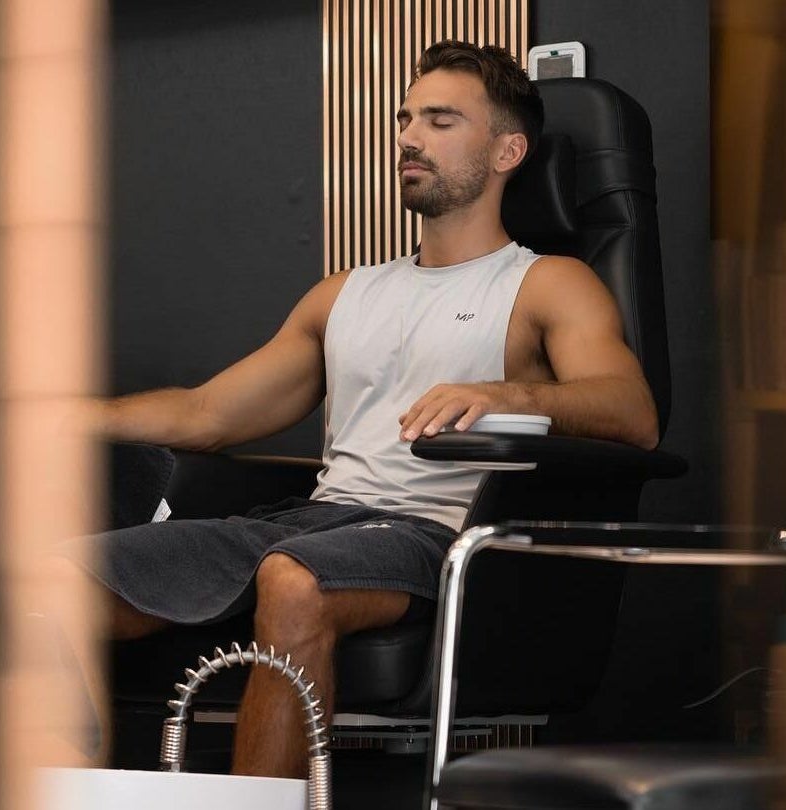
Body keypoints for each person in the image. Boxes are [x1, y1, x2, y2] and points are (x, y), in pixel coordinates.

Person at [46, 39, 659, 777]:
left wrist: (503, 395)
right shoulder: (344, 294)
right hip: (309, 521)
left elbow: (631, 411)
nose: (407, 136)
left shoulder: (547, 284)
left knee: (294, 579)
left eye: (439, 121)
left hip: (433, 531)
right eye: (405, 118)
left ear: (506, 151)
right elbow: (206, 413)